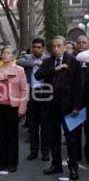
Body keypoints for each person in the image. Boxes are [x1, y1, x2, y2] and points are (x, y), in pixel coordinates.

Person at [35, 36, 83, 180]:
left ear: (64, 46)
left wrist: (76, 107)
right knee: (53, 137)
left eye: (58, 46)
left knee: (71, 139)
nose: (56, 49)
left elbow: (79, 86)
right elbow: (38, 75)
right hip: (51, 106)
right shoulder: (48, 61)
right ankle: (56, 165)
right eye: (53, 46)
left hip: (69, 108)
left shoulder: (73, 62)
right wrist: (55, 69)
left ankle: (73, 168)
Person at [0, 46, 28, 173]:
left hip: (13, 106)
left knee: (12, 135)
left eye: (8, 53)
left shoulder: (19, 69)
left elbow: (24, 89)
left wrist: (22, 108)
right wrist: (3, 75)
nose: (5, 54)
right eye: (3, 52)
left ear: (13, 56)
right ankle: (2, 162)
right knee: (1, 135)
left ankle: (12, 163)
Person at [16, 38, 50, 162]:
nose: (36, 49)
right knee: (32, 124)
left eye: (39, 47)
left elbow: (51, 70)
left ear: (43, 48)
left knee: (45, 125)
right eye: (34, 47)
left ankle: (45, 152)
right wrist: (35, 63)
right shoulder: (28, 58)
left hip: (45, 93)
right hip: (30, 93)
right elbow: (17, 62)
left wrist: (42, 64)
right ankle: (33, 151)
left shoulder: (48, 59)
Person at [75, 35, 89, 164]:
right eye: (78, 42)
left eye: (83, 42)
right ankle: (76, 155)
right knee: (75, 131)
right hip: (76, 104)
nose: (80, 44)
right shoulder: (71, 60)